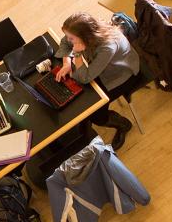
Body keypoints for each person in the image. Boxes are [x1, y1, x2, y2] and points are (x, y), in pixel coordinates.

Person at [53, 12, 138, 149]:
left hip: (119, 77)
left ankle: (123, 124)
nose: (68, 40)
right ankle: (84, 123)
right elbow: (65, 42)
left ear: (84, 37)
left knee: (95, 113)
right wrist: (66, 63)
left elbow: (85, 78)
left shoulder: (108, 47)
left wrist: (77, 53)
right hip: (100, 70)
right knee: (79, 95)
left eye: (72, 38)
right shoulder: (87, 31)